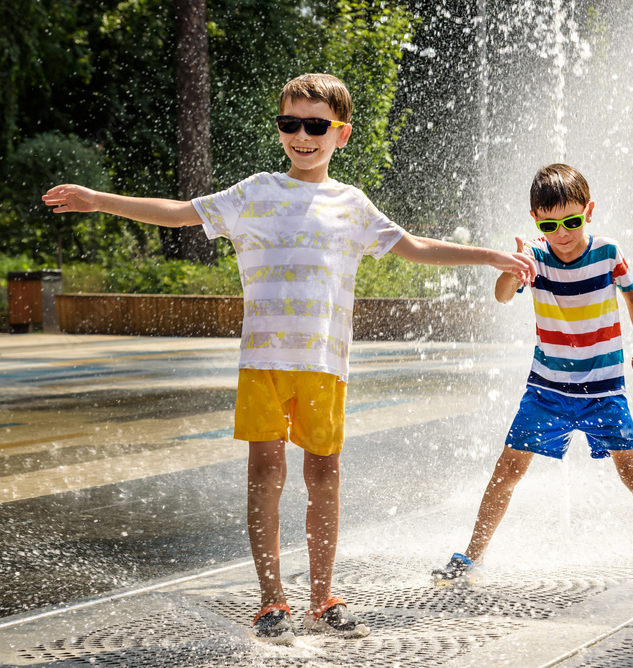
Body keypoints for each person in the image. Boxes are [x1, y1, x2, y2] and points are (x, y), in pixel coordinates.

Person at [42, 73, 537, 644]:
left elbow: (416, 247)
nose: (302, 136)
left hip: (325, 365)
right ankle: (271, 599)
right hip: (264, 363)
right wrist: (96, 201)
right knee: (265, 474)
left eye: (315, 126)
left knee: (324, 476)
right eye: (289, 124)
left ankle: (324, 596)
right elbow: (178, 212)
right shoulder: (254, 192)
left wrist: (489, 256)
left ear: (340, 134)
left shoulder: (351, 204)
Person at [432, 164, 633, 601]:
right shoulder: (535, 255)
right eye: (550, 225)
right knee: (507, 470)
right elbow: (500, 295)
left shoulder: (607, 251)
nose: (563, 233)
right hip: (547, 390)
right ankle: (470, 557)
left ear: (588, 211)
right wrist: (515, 269)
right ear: (536, 219)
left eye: (572, 221)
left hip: (604, 391)